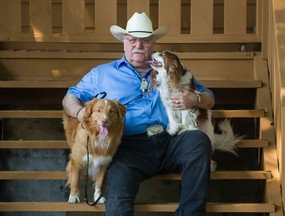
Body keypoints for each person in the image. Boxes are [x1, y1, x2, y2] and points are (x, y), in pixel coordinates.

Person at [62, 12, 215, 216]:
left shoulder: (171, 67)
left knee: (197, 140)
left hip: (171, 139)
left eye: (144, 41)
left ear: (153, 43)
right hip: (128, 147)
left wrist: (195, 99)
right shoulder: (103, 73)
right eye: (132, 40)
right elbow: (70, 97)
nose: (138, 46)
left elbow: (209, 98)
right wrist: (80, 112)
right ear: (124, 43)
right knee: (117, 198)